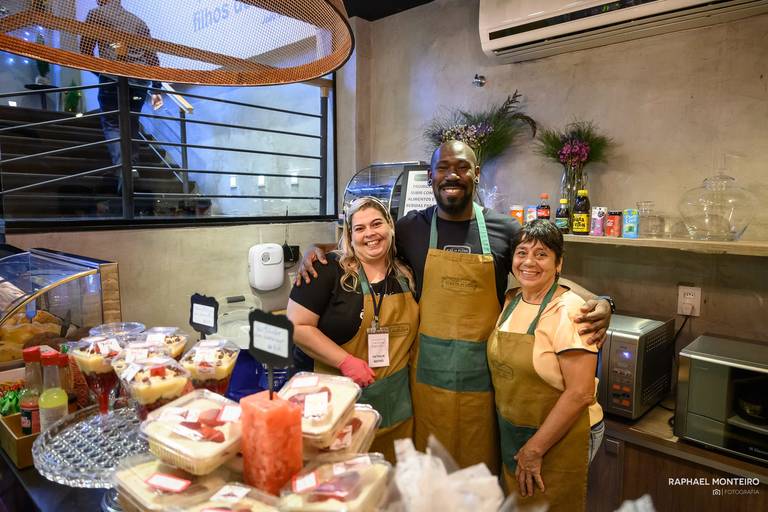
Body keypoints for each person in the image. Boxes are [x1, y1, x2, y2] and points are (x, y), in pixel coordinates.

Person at [297, 140, 613, 473]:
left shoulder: (505, 229)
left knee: (478, 481)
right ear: (431, 176)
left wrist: (603, 301)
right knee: (431, 479)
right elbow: (364, 242)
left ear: (476, 174)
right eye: (443, 168)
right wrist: (314, 249)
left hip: (484, 383)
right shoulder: (409, 228)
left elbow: (543, 271)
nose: (452, 175)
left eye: (462, 167)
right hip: (426, 384)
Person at [287, 196, 419, 462]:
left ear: (390, 227)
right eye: (359, 228)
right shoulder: (326, 270)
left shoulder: (406, 274)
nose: (370, 234)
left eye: (376, 224)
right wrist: (344, 360)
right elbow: (296, 326)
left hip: (395, 407)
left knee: (389, 486)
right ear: (349, 235)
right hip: (337, 405)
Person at [487, 219, 603, 511]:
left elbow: (580, 393)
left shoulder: (569, 309)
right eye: (522, 252)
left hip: (560, 435)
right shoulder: (511, 300)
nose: (529, 262)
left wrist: (535, 448)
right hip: (518, 432)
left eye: (541, 254)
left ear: (559, 263)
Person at [79, 0, 163, 189]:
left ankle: (123, 171)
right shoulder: (139, 22)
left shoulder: (96, 15)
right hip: (139, 82)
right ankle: (132, 167)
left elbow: (84, 51)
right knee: (131, 123)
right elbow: (152, 59)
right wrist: (156, 89)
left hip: (113, 79)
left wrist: (103, 74)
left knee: (113, 124)